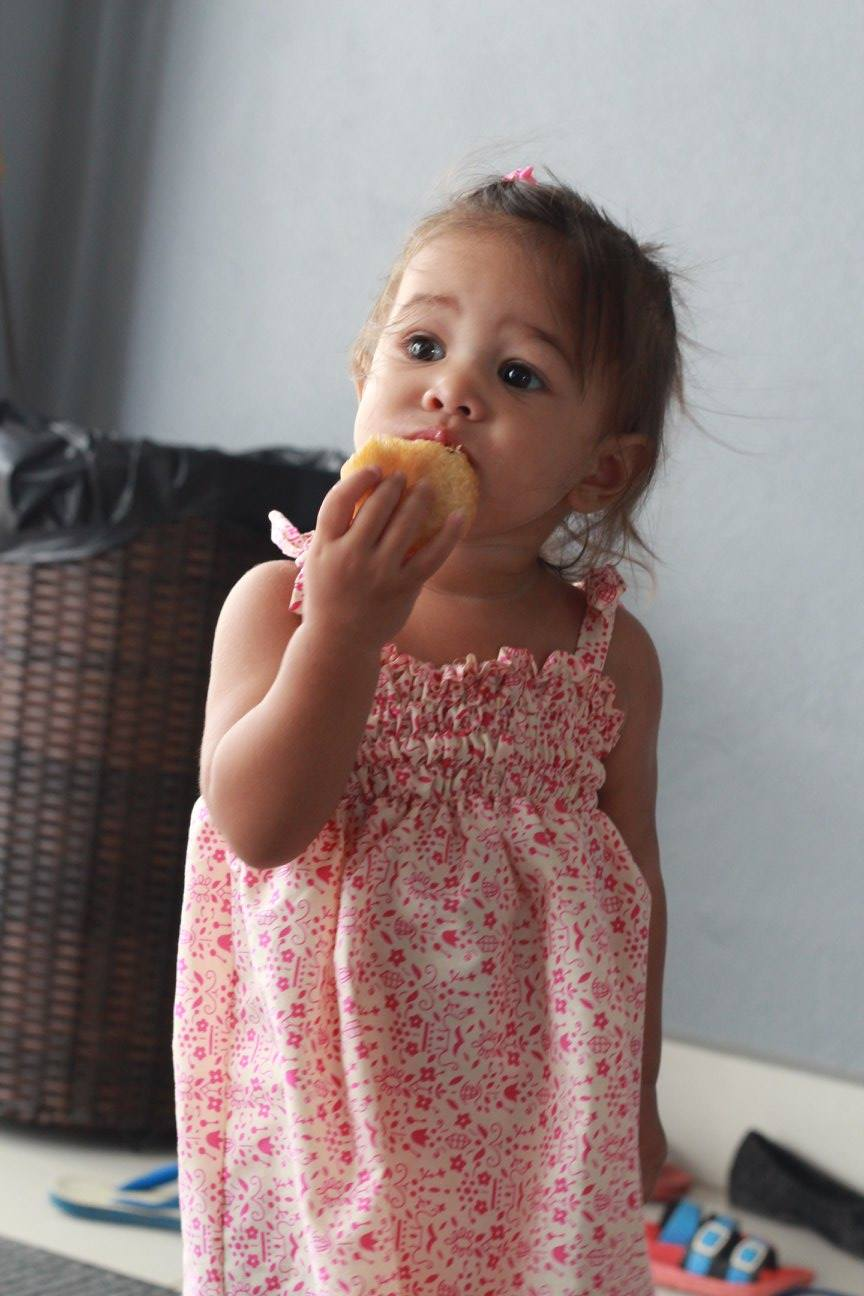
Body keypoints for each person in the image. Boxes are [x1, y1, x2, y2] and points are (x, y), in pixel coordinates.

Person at [173, 163, 689, 1295]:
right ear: (365, 373)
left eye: (517, 373)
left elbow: (634, 884)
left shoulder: (608, 659)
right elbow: (258, 828)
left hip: (528, 1111)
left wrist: (639, 1093)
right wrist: (345, 637)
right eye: (420, 349)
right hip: (324, 1095)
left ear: (602, 468)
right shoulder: (280, 606)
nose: (451, 396)